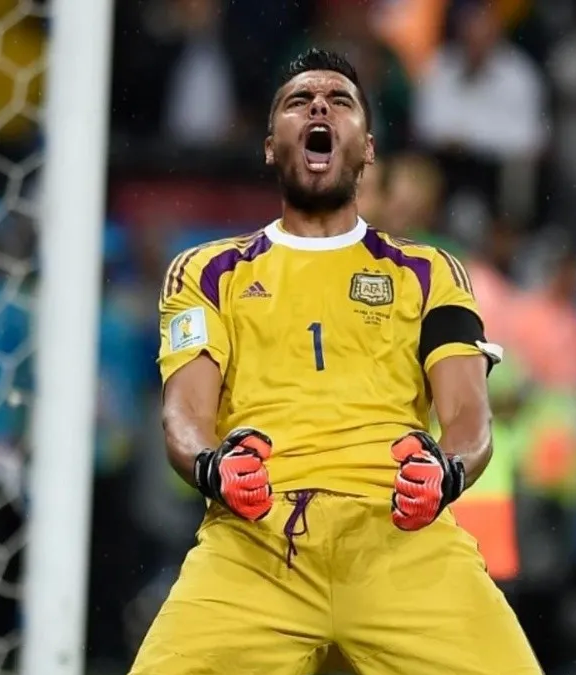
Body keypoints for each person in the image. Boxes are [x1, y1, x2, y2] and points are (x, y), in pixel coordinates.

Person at [129, 48, 542, 675]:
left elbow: (467, 413)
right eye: (299, 100)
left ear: (368, 149)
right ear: (271, 147)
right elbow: (183, 413)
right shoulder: (207, 271)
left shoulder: (430, 273)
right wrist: (214, 467)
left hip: (400, 537)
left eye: (340, 100)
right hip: (255, 541)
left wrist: (446, 472)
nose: (319, 104)